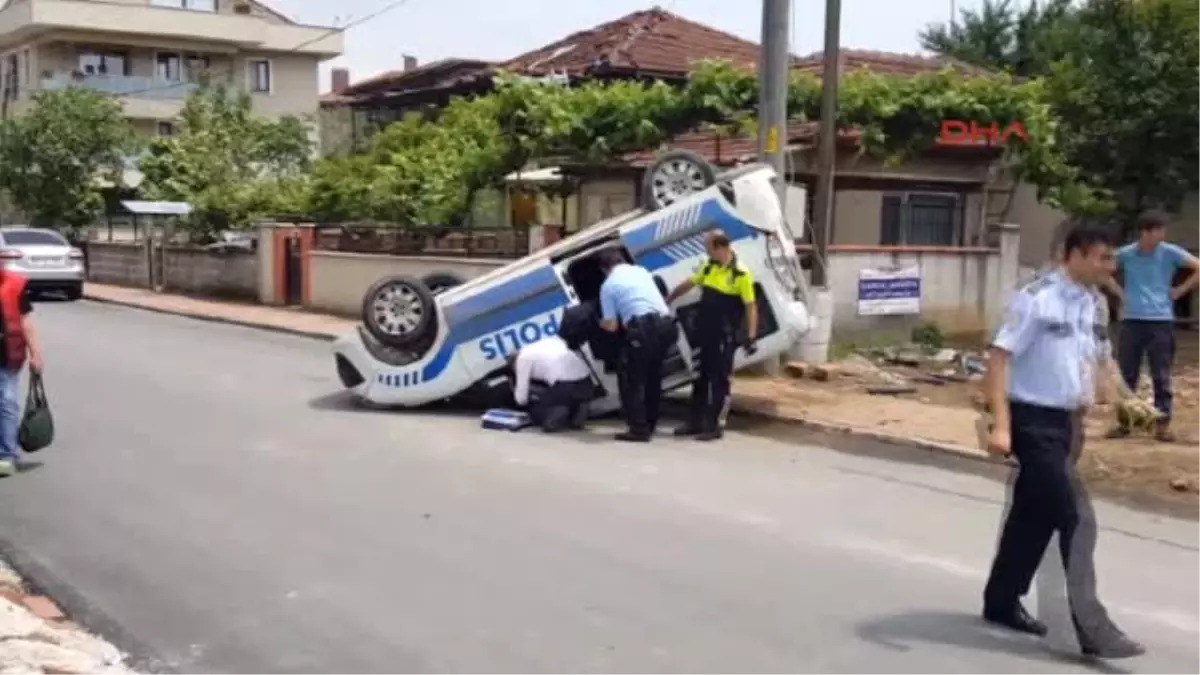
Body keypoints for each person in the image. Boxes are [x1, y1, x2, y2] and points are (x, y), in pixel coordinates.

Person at [982, 224, 1144, 660]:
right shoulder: (1036, 297)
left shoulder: (1093, 304)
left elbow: (1100, 358)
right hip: (1033, 422)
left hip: (1070, 424)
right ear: (1073, 255)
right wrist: (1001, 425)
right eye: (1102, 257)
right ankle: (1091, 629)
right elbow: (998, 359)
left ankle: (1001, 601)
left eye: (1111, 258)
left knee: (1033, 515)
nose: (1109, 266)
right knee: (1075, 516)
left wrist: (1129, 400)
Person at [1103, 210, 1200, 441]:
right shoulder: (1127, 254)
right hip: (1132, 320)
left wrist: (1179, 291)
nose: (1161, 235)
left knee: (1161, 374)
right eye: (1158, 231)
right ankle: (1126, 423)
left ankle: (1163, 424)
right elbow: (1103, 269)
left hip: (1161, 319)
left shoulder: (1169, 252)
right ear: (1145, 232)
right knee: (1127, 375)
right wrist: (1119, 293)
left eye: (1162, 231)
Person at [665, 230, 758, 441]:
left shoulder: (740, 274)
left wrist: (751, 336)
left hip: (724, 336)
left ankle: (716, 426)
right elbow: (690, 282)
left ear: (720, 248)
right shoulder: (709, 266)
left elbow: (751, 306)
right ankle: (695, 422)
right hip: (703, 332)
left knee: (719, 381)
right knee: (699, 378)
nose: (706, 252)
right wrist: (669, 297)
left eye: (708, 248)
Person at [597, 248, 678, 442]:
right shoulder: (641, 271)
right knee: (653, 377)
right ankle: (650, 423)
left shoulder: (608, 285)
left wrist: (598, 322)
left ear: (604, 269)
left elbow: (612, 326)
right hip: (666, 326)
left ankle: (638, 429)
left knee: (630, 381)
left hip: (643, 330)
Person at [509, 307, 596, 433]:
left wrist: (523, 398)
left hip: (565, 387)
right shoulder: (547, 343)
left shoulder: (523, 359)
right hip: (587, 382)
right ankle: (579, 410)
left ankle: (557, 411)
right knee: (568, 392)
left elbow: (521, 397)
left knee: (539, 408)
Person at [0, 266, 41, 477]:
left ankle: (7, 455)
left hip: (7, 355)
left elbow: (26, 321)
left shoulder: (13, 285)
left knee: (7, 401)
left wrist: (36, 353)